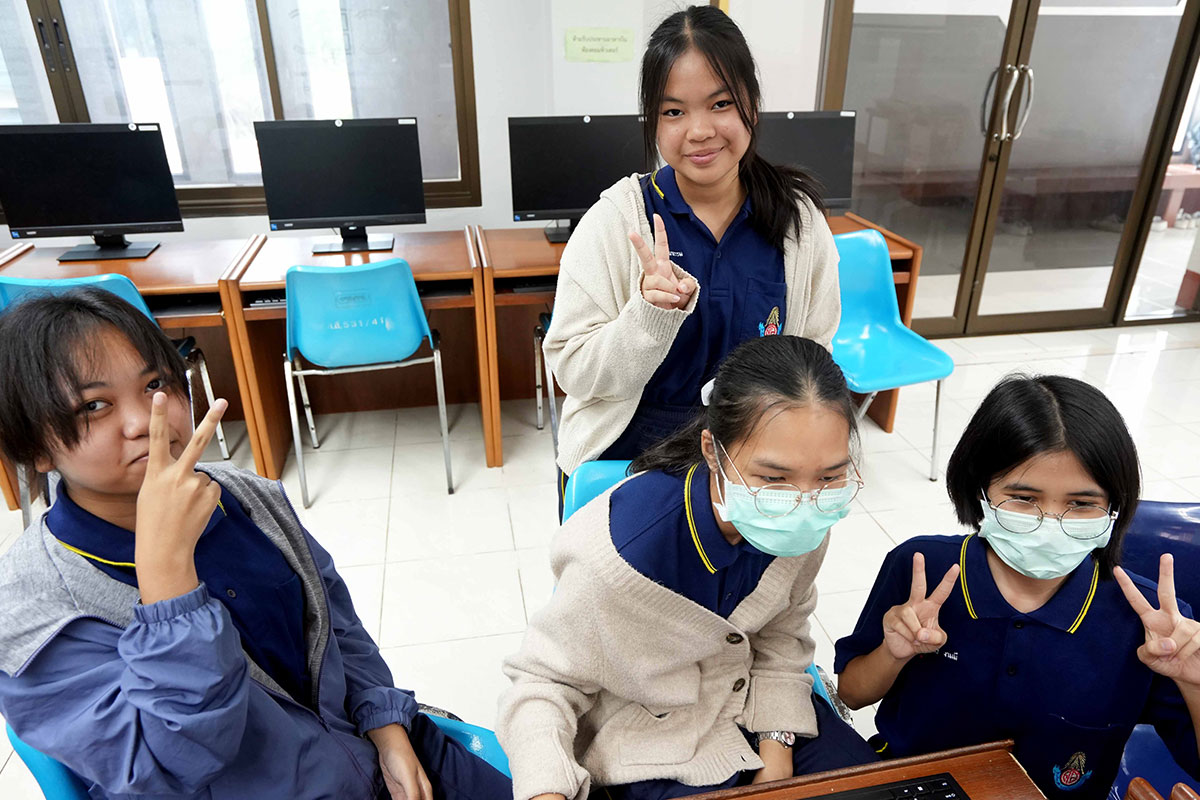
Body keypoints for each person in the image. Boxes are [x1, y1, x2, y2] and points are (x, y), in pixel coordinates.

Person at [0, 288, 512, 800]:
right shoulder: (32, 613)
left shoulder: (245, 496)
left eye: (155, 384)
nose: (144, 421)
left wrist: (385, 722)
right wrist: (168, 582)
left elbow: (336, 623)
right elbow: (167, 770)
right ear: (35, 447)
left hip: (376, 751)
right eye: (94, 406)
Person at [498, 336, 877, 800]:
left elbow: (782, 637)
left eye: (829, 476)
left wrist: (777, 747)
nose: (803, 502)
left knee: (880, 788)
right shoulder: (623, 553)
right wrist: (547, 790)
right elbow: (543, 683)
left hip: (760, 708)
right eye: (773, 479)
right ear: (713, 451)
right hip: (651, 743)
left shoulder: (808, 516)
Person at [834, 375, 1200, 799]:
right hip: (910, 787)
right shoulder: (922, 569)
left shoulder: (1151, 622)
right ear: (980, 491)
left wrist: (1194, 682)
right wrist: (893, 654)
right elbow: (852, 693)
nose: (1050, 522)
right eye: (1024, 498)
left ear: (1114, 507)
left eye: (1081, 504)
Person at [544, 6, 841, 504]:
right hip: (626, 458)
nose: (699, 131)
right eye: (674, 111)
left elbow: (814, 358)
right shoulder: (617, 220)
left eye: (720, 103)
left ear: (751, 103)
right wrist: (646, 317)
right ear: (652, 121)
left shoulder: (799, 222)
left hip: (751, 465)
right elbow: (572, 370)